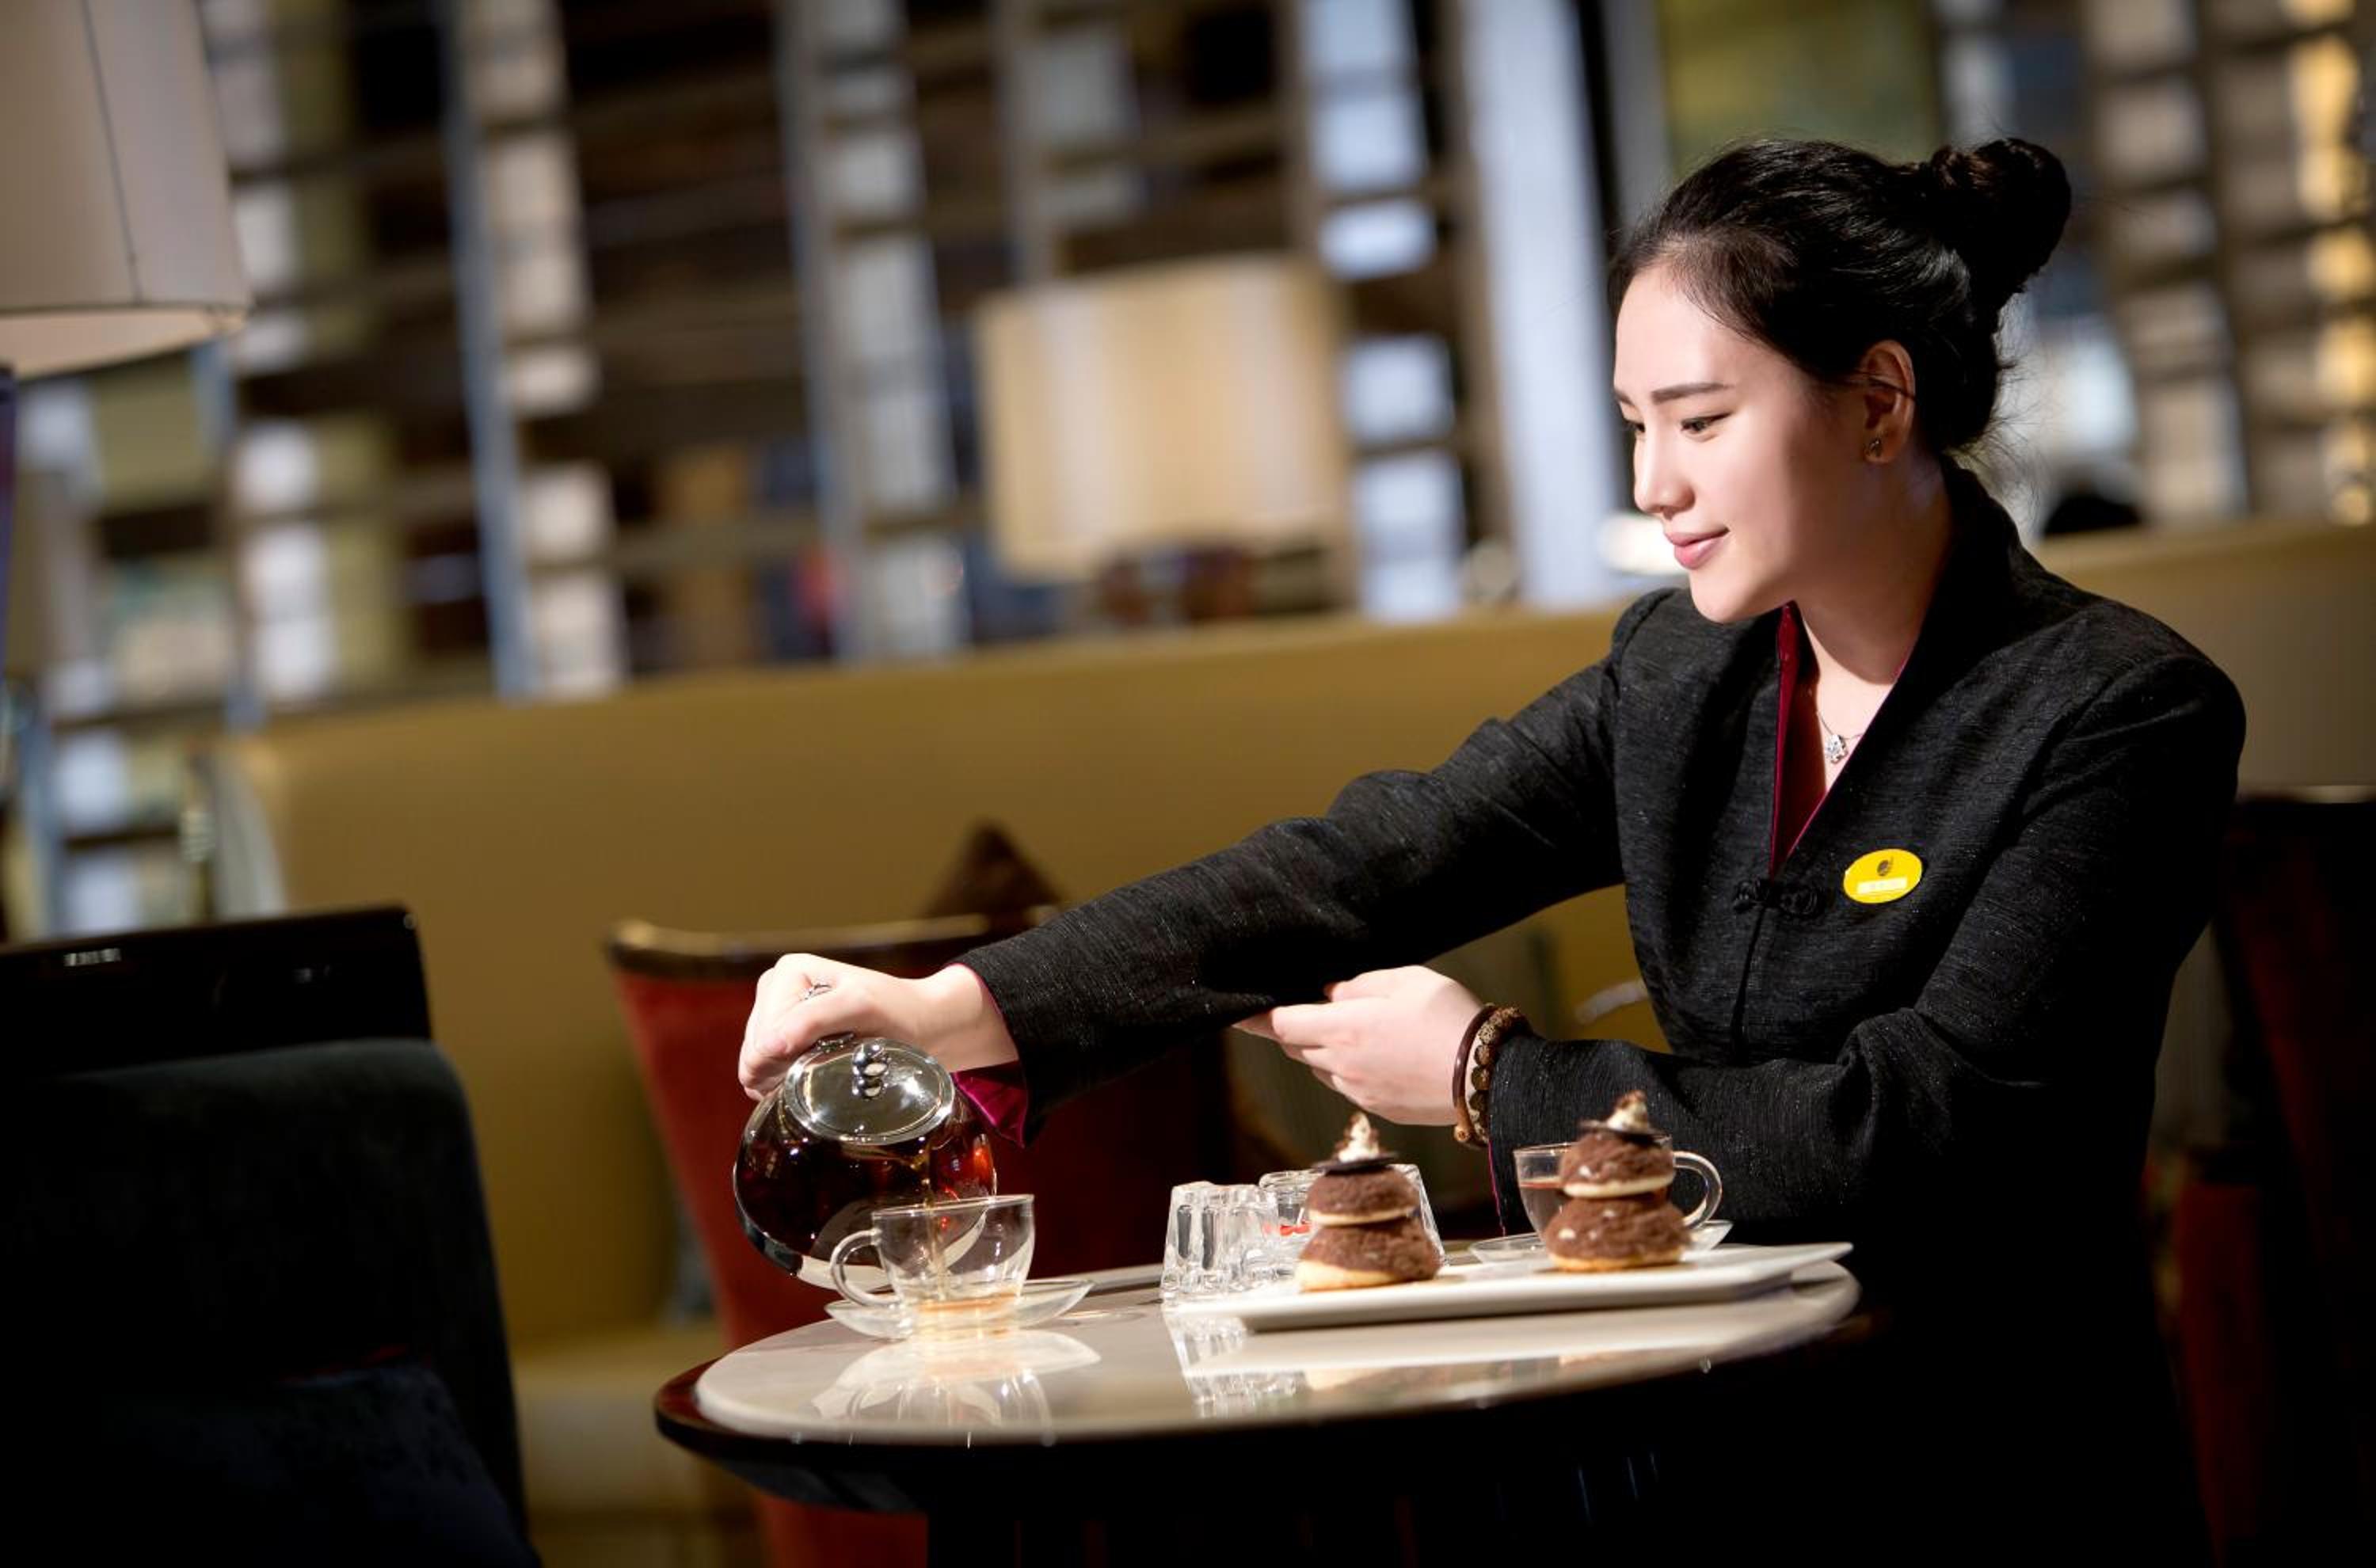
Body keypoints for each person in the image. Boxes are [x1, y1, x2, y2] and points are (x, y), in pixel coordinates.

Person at [739, 138, 2241, 1554]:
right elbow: (1365, 865)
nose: (1654, 485)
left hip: (1989, 1466)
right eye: (1638, 426)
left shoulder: (2119, 711)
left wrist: (1489, 1077)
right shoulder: (1684, 675)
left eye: (1702, 422)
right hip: (1695, 1453)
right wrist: (963, 1008)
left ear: (1880, 401)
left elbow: (1931, 1134)